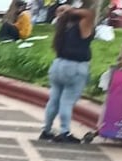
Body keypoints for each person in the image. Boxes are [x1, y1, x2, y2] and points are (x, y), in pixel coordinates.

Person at [40, 3, 95, 143]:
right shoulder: (82, 25)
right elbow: (89, 14)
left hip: (58, 65)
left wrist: (66, 11)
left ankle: (46, 130)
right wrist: (72, 10)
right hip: (75, 67)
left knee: (54, 100)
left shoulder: (62, 27)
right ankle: (65, 132)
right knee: (67, 102)